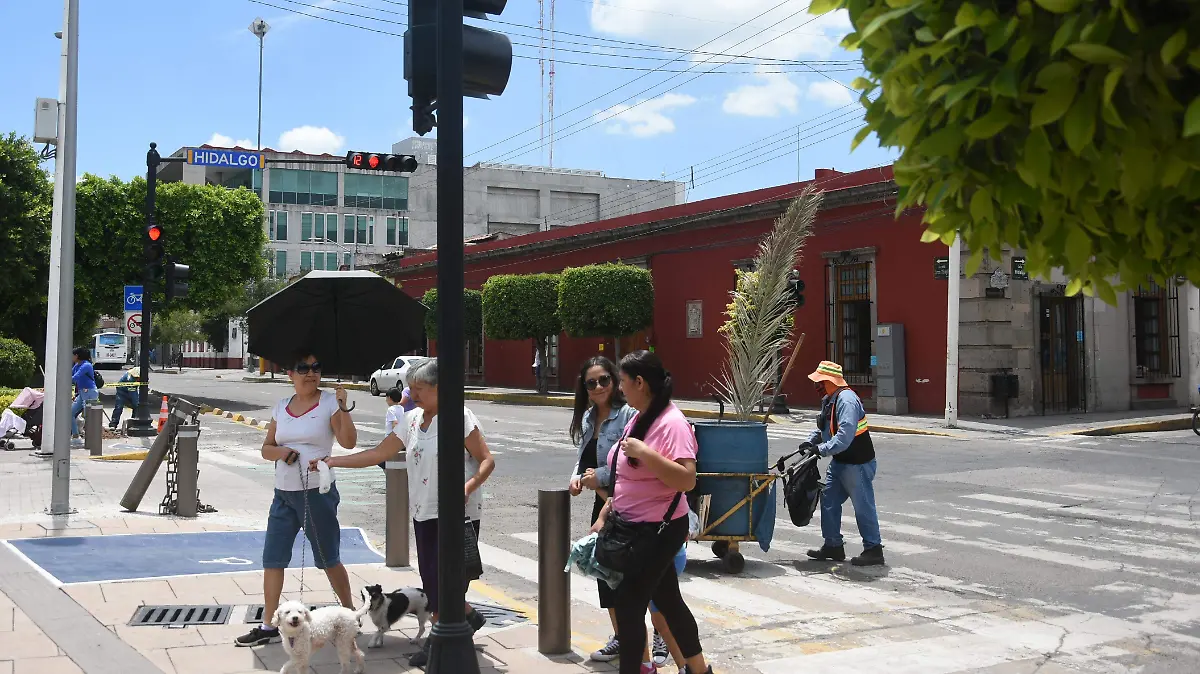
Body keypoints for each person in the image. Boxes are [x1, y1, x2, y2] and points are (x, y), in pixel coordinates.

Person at [319, 358, 496, 668]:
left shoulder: (458, 417)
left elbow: (486, 460)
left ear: (442, 389)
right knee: (432, 579)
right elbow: (380, 452)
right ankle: (468, 618)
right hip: (423, 510)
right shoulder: (411, 420)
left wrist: (467, 486)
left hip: (455, 512)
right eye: (411, 389)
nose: (413, 395)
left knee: (448, 580)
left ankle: (441, 641)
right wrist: (334, 462)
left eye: (421, 389)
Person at [592, 350, 712, 674]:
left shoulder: (673, 423)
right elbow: (626, 477)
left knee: (629, 608)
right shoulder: (640, 416)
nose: (620, 389)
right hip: (632, 527)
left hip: (657, 530)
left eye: (624, 382)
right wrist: (606, 512)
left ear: (640, 383)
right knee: (669, 602)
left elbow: (687, 478)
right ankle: (700, 670)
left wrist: (645, 453)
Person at [234, 353, 358, 648]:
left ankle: (350, 614)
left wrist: (344, 409)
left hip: (317, 494)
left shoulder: (329, 402)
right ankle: (267, 625)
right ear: (289, 373)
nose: (311, 373)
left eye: (316, 367)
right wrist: (281, 452)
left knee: (329, 558)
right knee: (272, 559)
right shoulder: (282, 407)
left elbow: (349, 442)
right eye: (303, 368)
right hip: (283, 494)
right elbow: (266, 448)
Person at [567, 356, 638, 663]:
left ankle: (656, 635)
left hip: (629, 500)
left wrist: (599, 477)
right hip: (602, 500)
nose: (597, 387)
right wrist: (577, 477)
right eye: (590, 383)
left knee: (637, 574)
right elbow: (584, 457)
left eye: (603, 380)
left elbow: (631, 462)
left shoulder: (628, 415)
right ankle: (621, 637)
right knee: (605, 570)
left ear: (615, 380)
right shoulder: (586, 418)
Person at [803, 360, 885, 567]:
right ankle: (833, 545)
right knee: (829, 500)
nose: (816, 386)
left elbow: (844, 437)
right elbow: (824, 427)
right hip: (840, 462)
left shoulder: (847, 400)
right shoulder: (829, 399)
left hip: (857, 463)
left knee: (863, 505)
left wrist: (820, 450)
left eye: (819, 381)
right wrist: (811, 441)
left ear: (829, 381)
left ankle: (874, 549)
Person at [378, 387, 416, 470]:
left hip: (391, 438)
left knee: (380, 459)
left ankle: (389, 474)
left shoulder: (391, 410)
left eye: (386, 398)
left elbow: (394, 423)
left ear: (389, 398)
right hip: (401, 437)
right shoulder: (402, 409)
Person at [69, 347, 99, 448]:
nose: (71, 357)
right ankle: (76, 436)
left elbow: (75, 377)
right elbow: (70, 374)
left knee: (89, 416)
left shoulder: (86, 365)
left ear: (77, 356)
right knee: (70, 414)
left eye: (73, 355)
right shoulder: (77, 365)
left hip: (90, 392)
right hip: (82, 393)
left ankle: (91, 439)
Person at [108, 366, 141, 431]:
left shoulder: (134, 375)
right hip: (121, 392)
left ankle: (133, 422)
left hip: (129, 390)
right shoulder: (130, 379)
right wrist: (137, 404)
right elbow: (133, 395)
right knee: (119, 407)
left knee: (136, 407)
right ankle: (113, 424)